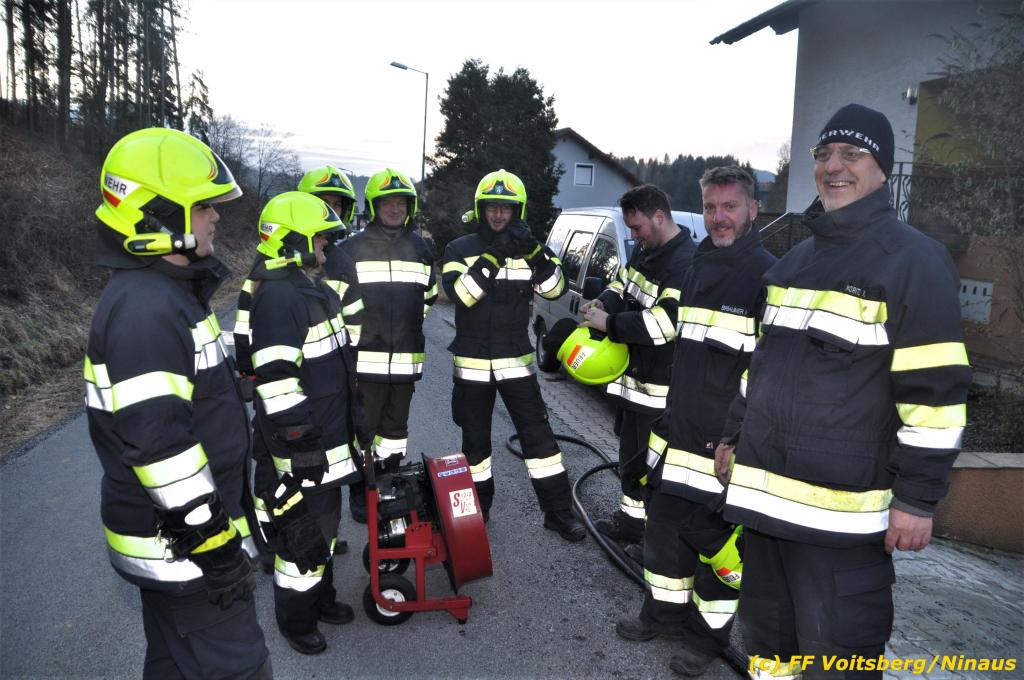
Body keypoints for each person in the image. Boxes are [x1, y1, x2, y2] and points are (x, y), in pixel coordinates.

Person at [717, 104, 971, 678]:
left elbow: (936, 395)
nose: (833, 166)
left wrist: (917, 500)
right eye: (824, 154)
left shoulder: (913, 261)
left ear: (882, 168)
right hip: (763, 514)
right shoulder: (795, 262)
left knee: (839, 668)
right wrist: (733, 435)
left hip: (841, 530)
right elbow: (762, 367)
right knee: (770, 659)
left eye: (852, 154)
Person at [84, 127, 270, 678]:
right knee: (238, 669)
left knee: (173, 665)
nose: (216, 216)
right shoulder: (148, 309)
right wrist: (215, 547)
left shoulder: (169, 295)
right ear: (159, 214)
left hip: (174, 543)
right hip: (186, 551)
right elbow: (160, 448)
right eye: (204, 206)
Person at [615, 167, 776, 677]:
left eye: (730, 206)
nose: (718, 217)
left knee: (717, 553)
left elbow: (767, 375)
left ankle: (705, 641)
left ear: (753, 209)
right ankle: (662, 616)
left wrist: (738, 439)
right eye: (710, 207)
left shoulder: (768, 279)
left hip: (724, 449)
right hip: (679, 434)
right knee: (663, 537)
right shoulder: (695, 268)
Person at [441, 169, 586, 541]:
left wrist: (536, 253)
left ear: (517, 211)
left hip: (516, 364)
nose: (498, 214)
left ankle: (557, 512)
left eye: (506, 208)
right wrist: (494, 255)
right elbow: (463, 295)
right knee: (475, 446)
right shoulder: (459, 249)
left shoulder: (529, 249)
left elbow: (556, 290)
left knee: (540, 442)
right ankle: (478, 511)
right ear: (481, 209)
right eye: (492, 207)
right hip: (473, 365)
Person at [247, 191, 362, 655]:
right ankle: (297, 621)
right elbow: (277, 381)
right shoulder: (279, 298)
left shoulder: (307, 288)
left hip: (327, 440)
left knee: (325, 529)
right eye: (319, 238)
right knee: (303, 538)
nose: (326, 246)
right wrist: (301, 443)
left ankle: (322, 598)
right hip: (305, 448)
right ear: (293, 240)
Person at [582, 184, 696, 549]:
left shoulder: (684, 264)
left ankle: (656, 544)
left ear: (659, 217)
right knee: (630, 463)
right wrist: (602, 302)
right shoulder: (646, 253)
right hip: (633, 385)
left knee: (655, 472)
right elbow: (621, 285)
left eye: (637, 228)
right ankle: (630, 525)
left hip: (659, 393)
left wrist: (609, 324)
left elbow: (665, 324)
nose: (634, 236)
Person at [335, 168, 437, 521]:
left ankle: (389, 485)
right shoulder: (351, 250)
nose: (395, 209)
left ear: (409, 208)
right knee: (362, 431)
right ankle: (361, 494)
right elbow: (336, 301)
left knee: (395, 432)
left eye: (401, 203)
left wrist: (408, 324)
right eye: (387, 202)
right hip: (364, 362)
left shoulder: (421, 249)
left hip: (406, 361)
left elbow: (429, 295)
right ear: (374, 207)